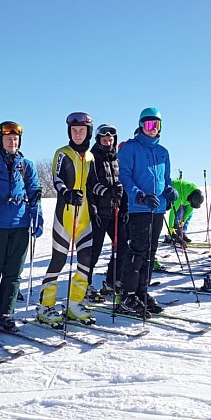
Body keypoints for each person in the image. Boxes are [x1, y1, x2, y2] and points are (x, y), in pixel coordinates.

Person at [0, 122, 42, 331]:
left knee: (14, 272)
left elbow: (34, 192)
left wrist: (36, 215)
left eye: (15, 139)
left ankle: (5, 313)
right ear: (0, 141)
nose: (12, 142)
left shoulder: (27, 165)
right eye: (8, 139)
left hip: (20, 224)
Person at [117, 107, 177, 317]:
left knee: (151, 253)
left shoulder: (163, 152)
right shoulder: (131, 148)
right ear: (141, 126)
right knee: (138, 250)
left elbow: (166, 179)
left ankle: (142, 292)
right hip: (139, 208)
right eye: (149, 125)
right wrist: (139, 195)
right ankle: (127, 295)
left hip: (158, 208)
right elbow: (125, 176)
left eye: (156, 125)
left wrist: (170, 191)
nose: (153, 129)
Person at [38, 112, 95, 325]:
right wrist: (68, 193)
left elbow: (93, 184)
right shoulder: (62, 153)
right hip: (65, 214)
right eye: (74, 130)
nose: (78, 133)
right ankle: (46, 305)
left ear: (88, 131)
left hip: (85, 216)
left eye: (82, 130)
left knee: (86, 261)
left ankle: (74, 304)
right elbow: (56, 179)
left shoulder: (90, 157)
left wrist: (110, 192)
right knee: (59, 260)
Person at [87, 123, 129, 301]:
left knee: (122, 248)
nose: (107, 141)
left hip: (116, 210)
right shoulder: (92, 157)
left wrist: (125, 205)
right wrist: (105, 192)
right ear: (98, 140)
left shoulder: (117, 159)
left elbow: (123, 184)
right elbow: (90, 183)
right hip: (98, 212)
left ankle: (113, 280)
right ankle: (85, 284)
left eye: (110, 138)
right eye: (104, 139)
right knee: (93, 251)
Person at [162, 178, 204, 244]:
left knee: (189, 215)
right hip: (175, 191)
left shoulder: (195, 195)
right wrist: (170, 227)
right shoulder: (179, 196)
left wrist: (183, 220)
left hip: (185, 198)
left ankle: (182, 233)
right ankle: (173, 233)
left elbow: (190, 210)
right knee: (178, 215)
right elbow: (173, 212)